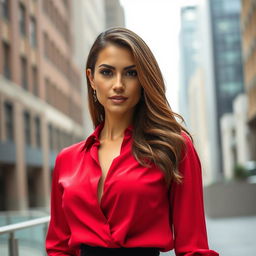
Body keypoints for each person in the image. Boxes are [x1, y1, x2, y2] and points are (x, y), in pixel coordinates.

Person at [45, 27, 219, 256]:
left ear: (144, 80)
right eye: (107, 72)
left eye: (131, 73)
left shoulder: (174, 147)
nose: (118, 84)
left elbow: (193, 248)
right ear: (92, 79)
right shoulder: (67, 159)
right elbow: (58, 247)